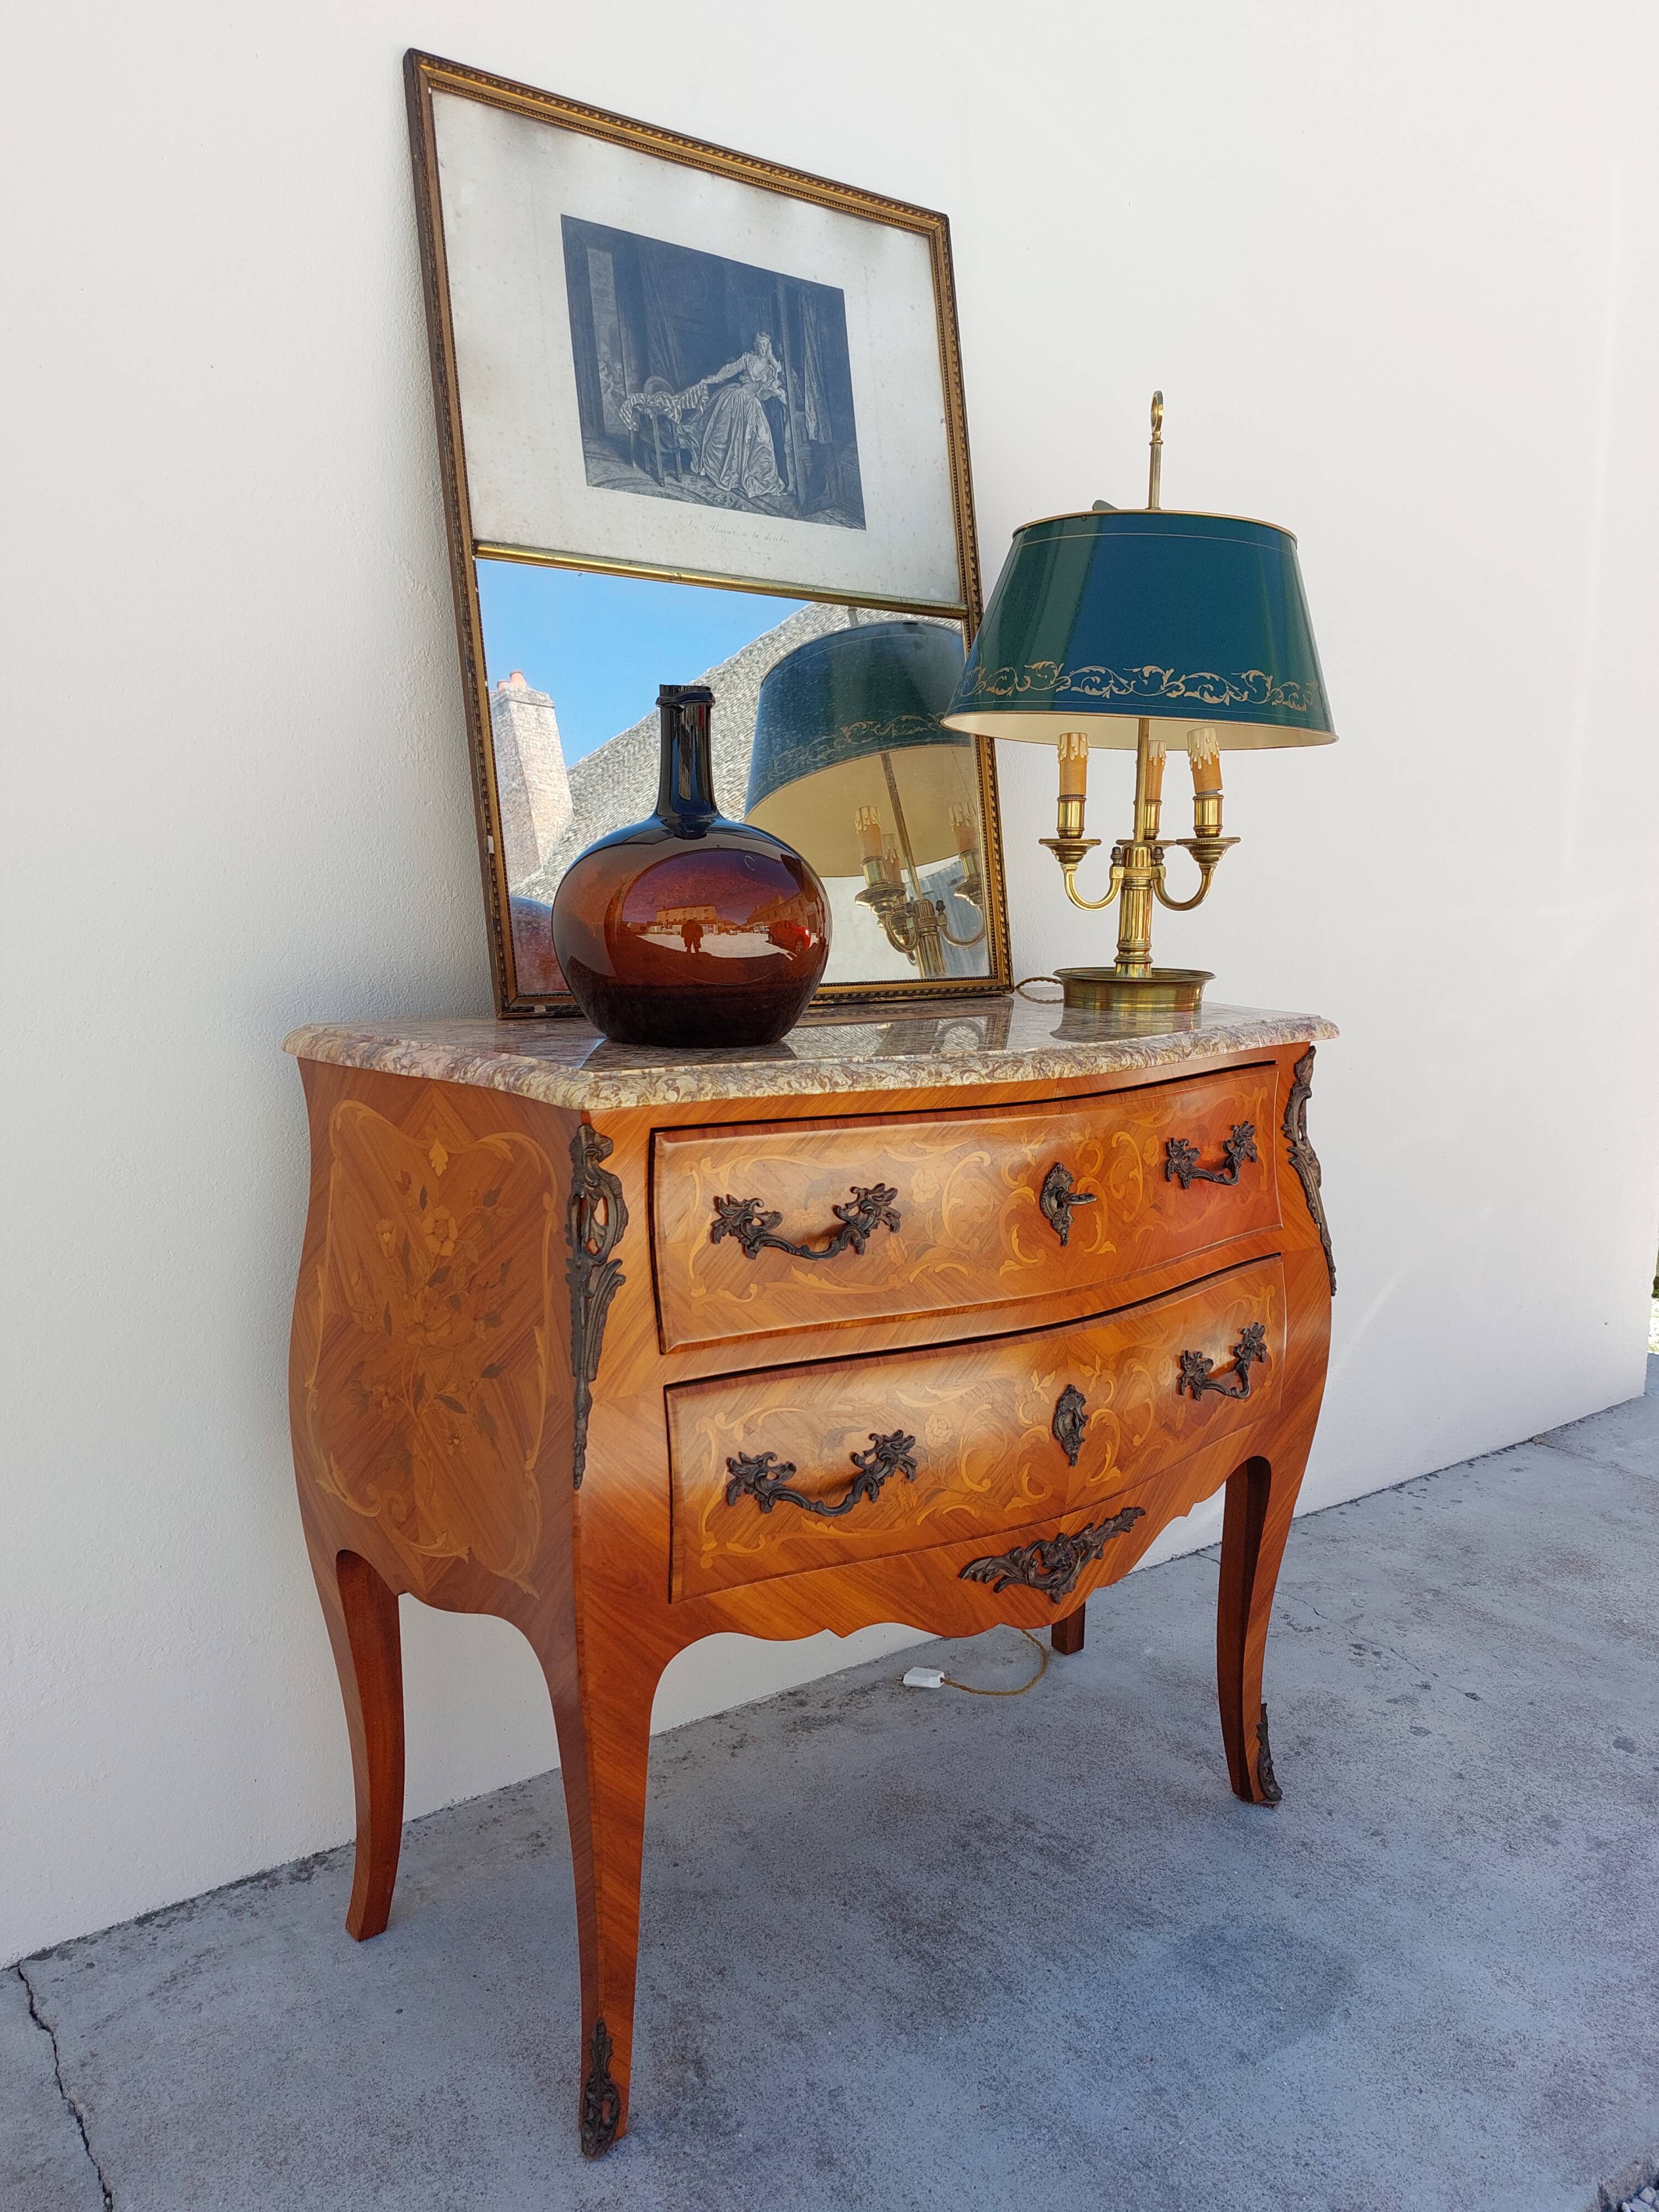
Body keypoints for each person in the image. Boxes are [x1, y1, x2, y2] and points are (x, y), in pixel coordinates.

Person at [693, 331, 787, 504]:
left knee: (760, 441)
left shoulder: (772, 368)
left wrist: (772, 389)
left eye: (765, 345)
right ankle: (723, 470)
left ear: (769, 347)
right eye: (759, 344)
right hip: (736, 397)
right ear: (754, 345)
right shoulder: (748, 359)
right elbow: (730, 371)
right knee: (723, 435)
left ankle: (749, 477)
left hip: (753, 405)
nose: (761, 348)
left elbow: (764, 394)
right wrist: (713, 379)